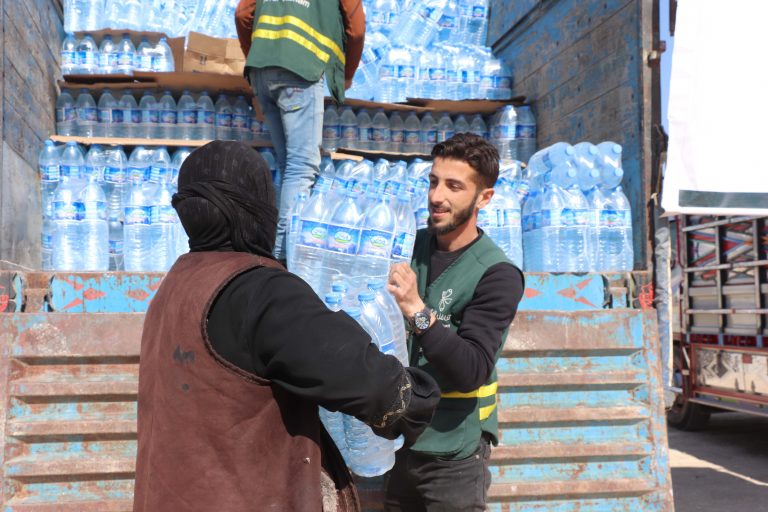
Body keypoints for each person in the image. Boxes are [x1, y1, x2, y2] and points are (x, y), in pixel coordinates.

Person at [133, 141, 440, 512]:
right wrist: (418, 398)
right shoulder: (261, 290)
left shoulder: (175, 284)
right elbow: (369, 381)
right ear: (258, 206)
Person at [385, 133, 525, 511]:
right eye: (433, 182)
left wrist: (417, 310)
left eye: (454, 186)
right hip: (398, 441)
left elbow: (471, 370)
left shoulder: (497, 274)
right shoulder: (406, 246)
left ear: (484, 198)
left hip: (454, 454)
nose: (436, 196)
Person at [235, 0, 365, 264]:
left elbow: (242, 14)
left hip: (261, 72)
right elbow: (356, 29)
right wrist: (346, 75)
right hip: (299, 70)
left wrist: (258, 55)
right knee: (301, 167)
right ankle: (283, 258)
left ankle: (275, 251)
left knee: (288, 165)